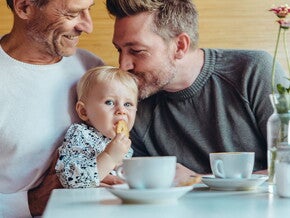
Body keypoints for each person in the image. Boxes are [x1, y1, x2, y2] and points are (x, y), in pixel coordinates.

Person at [105, 0, 288, 177]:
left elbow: (286, 166)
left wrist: (199, 181)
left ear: (180, 46)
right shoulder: (130, 104)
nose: (123, 66)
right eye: (118, 50)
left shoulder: (254, 72)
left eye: (136, 51)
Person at [0, 0, 107, 217]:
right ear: (24, 7)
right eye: (72, 13)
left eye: (89, 10)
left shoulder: (93, 69)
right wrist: (30, 204)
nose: (87, 26)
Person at [55, 66, 138, 188]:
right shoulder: (80, 135)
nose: (121, 110)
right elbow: (72, 180)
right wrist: (110, 157)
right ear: (83, 111)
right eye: (109, 102)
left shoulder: (125, 145)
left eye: (128, 104)